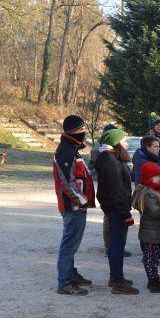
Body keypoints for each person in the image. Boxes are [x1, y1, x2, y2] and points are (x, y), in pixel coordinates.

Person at [53, 115, 95, 295]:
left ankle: (71, 274)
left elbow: (80, 176)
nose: (83, 132)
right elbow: (67, 182)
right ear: (73, 131)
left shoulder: (72, 148)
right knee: (69, 244)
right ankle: (64, 282)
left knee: (72, 243)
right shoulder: (66, 150)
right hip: (73, 206)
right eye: (81, 129)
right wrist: (82, 201)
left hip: (77, 205)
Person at [95, 128, 139, 294]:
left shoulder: (111, 159)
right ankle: (118, 283)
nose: (126, 143)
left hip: (114, 209)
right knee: (117, 246)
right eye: (123, 140)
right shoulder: (112, 163)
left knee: (116, 245)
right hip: (116, 210)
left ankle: (115, 277)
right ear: (116, 143)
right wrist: (125, 214)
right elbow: (116, 192)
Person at [131, 162, 160, 293]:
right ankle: (154, 282)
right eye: (157, 176)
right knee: (151, 259)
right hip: (151, 232)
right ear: (150, 178)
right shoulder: (150, 193)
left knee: (152, 258)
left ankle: (154, 280)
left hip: (151, 230)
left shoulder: (149, 189)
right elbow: (155, 212)